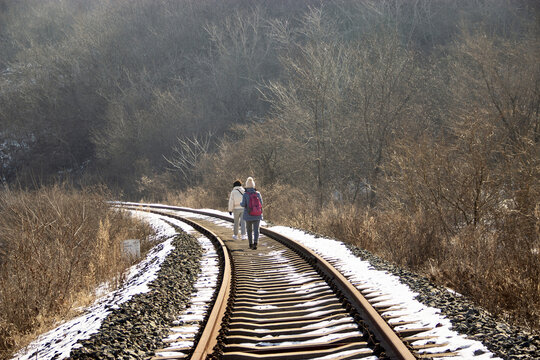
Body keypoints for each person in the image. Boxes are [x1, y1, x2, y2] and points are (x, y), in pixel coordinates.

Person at [240, 177, 263, 250]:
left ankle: (250, 244)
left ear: (246, 185)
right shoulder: (258, 193)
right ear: (253, 185)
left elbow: (243, 204)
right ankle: (255, 243)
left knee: (249, 230)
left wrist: (241, 203)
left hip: (248, 215)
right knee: (256, 229)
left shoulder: (245, 194)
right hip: (257, 214)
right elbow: (261, 203)